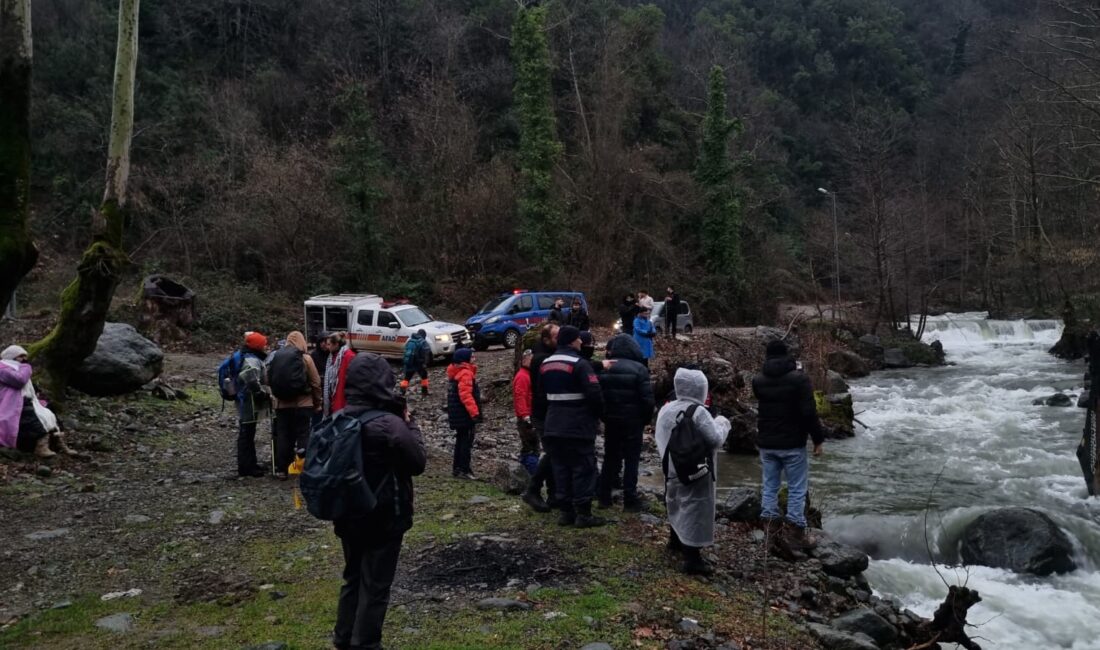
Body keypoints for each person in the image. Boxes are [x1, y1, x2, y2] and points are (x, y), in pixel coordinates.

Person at [332, 352, 427, 650]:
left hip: (347, 513)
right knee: (376, 585)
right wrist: (410, 424)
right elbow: (417, 462)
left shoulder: (338, 417)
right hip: (384, 515)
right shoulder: (390, 424)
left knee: (353, 576)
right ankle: (367, 643)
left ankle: (344, 637)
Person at [656, 368, 731, 575]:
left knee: (675, 501)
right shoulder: (699, 412)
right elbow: (715, 439)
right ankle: (692, 558)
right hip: (695, 469)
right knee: (695, 508)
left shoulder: (666, 409)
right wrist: (723, 422)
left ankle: (675, 541)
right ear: (701, 388)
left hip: (671, 467)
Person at [752, 339, 824, 553]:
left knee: (770, 486)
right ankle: (795, 533)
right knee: (796, 489)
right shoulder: (799, 380)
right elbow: (809, 412)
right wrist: (818, 439)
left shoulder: (758, 380)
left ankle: (770, 532)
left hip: (767, 442)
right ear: (786, 355)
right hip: (793, 443)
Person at [540, 325, 606, 528]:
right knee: (583, 468)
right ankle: (583, 514)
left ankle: (565, 512)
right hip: (577, 425)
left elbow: (541, 395)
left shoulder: (545, 364)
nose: (581, 342)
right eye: (578, 339)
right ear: (571, 341)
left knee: (561, 469)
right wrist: (599, 417)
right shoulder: (580, 364)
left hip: (552, 424)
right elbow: (595, 394)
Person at [596, 335, 655, 512]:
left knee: (610, 457)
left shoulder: (605, 368)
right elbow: (648, 400)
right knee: (632, 460)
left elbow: (599, 397)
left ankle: (603, 497)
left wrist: (604, 417)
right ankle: (630, 499)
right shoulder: (639, 369)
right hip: (633, 422)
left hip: (612, 421)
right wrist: (644, 420)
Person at [0, 346, 77, 458]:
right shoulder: (3, 369)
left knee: (49, 411)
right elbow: (19, 380)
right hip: (11, 404)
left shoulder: (17, 368)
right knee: (30, 415)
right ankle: (41, 446)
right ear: (11, 356)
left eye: (25, 356)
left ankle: (57, 443)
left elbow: (29, 386)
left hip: (24, 400)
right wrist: (26, 367)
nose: (24, 358)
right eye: (21, 356)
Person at [269, 331, 322, 480]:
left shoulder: (276, 357)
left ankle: (282, 470)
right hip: (303, 404)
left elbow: (267, 379)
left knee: (284, 436)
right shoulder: (306, 358)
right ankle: (302, 468)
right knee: (303, 435)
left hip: (281, 405)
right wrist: (317, 403)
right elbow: (316, 383)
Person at [220, 331, 269, 477]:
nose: (265, 347)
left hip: (243, 399)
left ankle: (250, 464)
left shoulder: (244, 355)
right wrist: (261, 393)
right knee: (246, 434)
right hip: (247, 401)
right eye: (264, 344)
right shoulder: (251, 360)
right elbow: (251, 379)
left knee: (247, 433)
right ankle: (246, 468)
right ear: (258, 346)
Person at [522, 324, 559, 513]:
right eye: (556, 336)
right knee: (553, 452)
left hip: (545, 411)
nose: (559, 339)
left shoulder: (543, 355)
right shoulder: (542, 359)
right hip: (543, 412)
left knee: (554, 452)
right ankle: (533, 490)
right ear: (546, 340)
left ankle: (553, 494)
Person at [446, 347, 481, 479]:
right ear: (465, 360)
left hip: (458, 413)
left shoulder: (456, 371)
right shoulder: (466, 373)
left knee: (460, 440)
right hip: (465, 414)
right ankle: (464, 469)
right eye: (472, 357)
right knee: (466, 441)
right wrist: (475, 413)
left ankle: (457, 468)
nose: (474, 359)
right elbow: (466, 395)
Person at [513, 349, 538, 476]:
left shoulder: (528, 375)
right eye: (530, 359)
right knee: (531, 448)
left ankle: (524, 473)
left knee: (530, 447)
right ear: (524, 360)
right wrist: (525, 416)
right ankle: (531, 475)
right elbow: (520, 397)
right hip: (526, 417)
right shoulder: (522, 376)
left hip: (530, 415)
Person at [325, 332, 357, 416]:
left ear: (336, 344)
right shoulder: (333, 356)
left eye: (329, 344)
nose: (327, 347)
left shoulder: (349, 356)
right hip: (336, 399)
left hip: (343, 399)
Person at [400, 329, 431, 396]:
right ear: (424, 335)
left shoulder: (410, 340)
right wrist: (425, 363)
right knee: (424, 376)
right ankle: (424, 392)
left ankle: (402, 391)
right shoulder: (423, 342)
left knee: (407, 378)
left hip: (410, 362)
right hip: (419, 363)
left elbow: (405, 350)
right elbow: (426, 353)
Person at [309, 332, 331, 428]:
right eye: (321, 341)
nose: (323, 344)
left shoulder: (332, 355)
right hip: (317, 389)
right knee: (317, 418)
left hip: (329, 389)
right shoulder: (314, 355)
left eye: (326, 341)